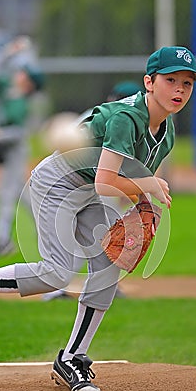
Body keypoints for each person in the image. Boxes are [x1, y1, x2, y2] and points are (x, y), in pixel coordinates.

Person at [0, 46, 196, 391]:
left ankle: (72, 358)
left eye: (187, 82)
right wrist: (147, 186)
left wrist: (144, 207)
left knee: (109, 262)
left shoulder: (165, 134)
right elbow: (109, 181)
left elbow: (128, 180)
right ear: (149, 82)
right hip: (57, 184)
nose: (179, 89)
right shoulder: (126, 118)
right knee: (58, 272)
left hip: (86, 190)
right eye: (170, 80)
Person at [42, 80, 143, 301]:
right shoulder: (108, 117)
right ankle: (62, 289)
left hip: (96, 184)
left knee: (100, 237)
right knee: (92, 237)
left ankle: (106, 285)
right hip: (77, 185)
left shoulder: (124, 120)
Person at [0, 36, 44, 256]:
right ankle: (46, 229)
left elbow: (19, 132)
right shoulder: (10, 91)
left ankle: (2, 240)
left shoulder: (21, 101)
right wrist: (9, 52)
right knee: (23, 195)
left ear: (29, 84)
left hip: (16, 150)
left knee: (7, 193)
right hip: (10, 149)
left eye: (23, 74)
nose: (18, 74)